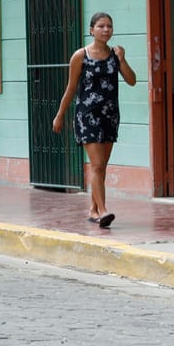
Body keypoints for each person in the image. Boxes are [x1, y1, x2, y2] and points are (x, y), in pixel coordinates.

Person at [52, 12, 137, 228]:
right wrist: (60, 115)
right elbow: (71, 88)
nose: (106, 29)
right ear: (91, 30)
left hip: (110, 115)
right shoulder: (81, 55)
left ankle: (93, 209)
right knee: (97, 165)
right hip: (87, 116)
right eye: (101, 26)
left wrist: (122, 59)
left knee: (101, 167)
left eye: (109, 26)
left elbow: (132, 80)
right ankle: (103, 211)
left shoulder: (115, 54)